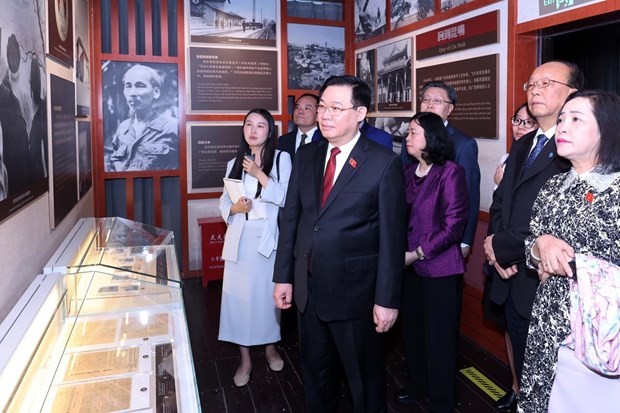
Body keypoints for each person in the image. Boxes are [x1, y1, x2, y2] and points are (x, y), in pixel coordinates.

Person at [273, 75, 406, 413]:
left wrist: (387, 300)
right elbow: (293, 218)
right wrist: (284, 276)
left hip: (356, 295)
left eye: (335, 108)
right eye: (322, 107)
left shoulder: (382, 162)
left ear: (360, 112)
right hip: (308, 290)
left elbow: (392, 239)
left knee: (363, 380)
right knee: (315, 375)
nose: (324, 115)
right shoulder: (307, 156)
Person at [485, 61, 583, 407]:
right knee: (521, 357)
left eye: (546, 83)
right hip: (510, 271)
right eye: (531, 84)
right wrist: (495, 249)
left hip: (545, 279)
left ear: (573, 94)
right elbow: (501, 202)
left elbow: (562, 220)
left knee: (553, 380)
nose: (535, 90)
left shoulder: (577, 147)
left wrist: (502, 245)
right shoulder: (525, 144)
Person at [518, 90, 620, 412]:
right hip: (549, 321)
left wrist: (576, 264)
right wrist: (538, 246)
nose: (562, 126)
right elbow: (532, 249)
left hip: (599, 331)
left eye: (576, 119)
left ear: (607, 129)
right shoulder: (552, 185)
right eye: (562, 119)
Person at [394, 112, 469, 412]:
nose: (407, 137)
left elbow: (453, 226)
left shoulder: (450, 173)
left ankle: (441, 401)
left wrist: (416, 254)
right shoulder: (407, 172)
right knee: (412, 332)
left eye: (413, 132)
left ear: (431, 137)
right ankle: (418, 385)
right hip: (407, 269)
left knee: (438, 337)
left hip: (438, 268)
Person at [219, 108, 292, 387]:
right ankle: (245, 359)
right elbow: (224, 203)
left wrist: (260, 173)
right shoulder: (233, 162)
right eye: (249, 124)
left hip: (267, 240)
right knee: (237, 301)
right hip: (239, 238)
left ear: (270, 132)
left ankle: (271, 347)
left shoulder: (282, 159)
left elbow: (285, 197)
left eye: (260, 126)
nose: (253, 130)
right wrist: (234, 208)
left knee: (265, 300)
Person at [484, 102, 538, 412]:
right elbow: (498, 206)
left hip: (524, 262)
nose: (520, 127)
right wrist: (494, 250)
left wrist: (506, 253)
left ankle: (526, 391)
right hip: (499, 255)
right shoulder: (513, 155)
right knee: (507, 322)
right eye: (517, 120)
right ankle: (516, 385)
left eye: (527, 122)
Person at [403, 80, 480, 258]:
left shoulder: (463, 144)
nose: (429, 104)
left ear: (450, 109)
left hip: (445, 239)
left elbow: (469, 194)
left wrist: (465, 240)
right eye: (426, 99)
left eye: (437, 101)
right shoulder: (411, 139)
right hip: (411, 237)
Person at [108, 64, 179, 172]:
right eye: (128, 86)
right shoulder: (123, 128)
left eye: (140, 85)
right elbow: (116, 156)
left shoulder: (174, 127)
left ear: (155, 92)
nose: (132, 93)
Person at [277, 93, 323, 160]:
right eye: (297, 107)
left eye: (307, 108)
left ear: (318, 115)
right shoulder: (283, 140)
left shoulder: (325, 140)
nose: (300, 111)